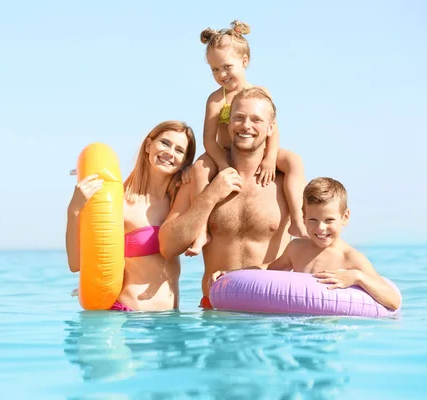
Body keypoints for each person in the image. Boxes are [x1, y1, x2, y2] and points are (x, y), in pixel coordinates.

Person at [159, 87, 292, 309]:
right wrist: (210, 197)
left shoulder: (286, 181)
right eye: (238, 118)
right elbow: (167, 247)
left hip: (272, 314)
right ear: (228, 124)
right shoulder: (204, 178)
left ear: (270, 128)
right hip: (216, 313)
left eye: (256, 119)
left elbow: (315, 242)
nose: (246, 126)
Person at [184, 20, 308, 257]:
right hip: (225, 153)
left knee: (292, 160)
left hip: (258, 151)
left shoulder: (261, 93)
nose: (221, 74)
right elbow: (209, 139)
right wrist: (222, 164)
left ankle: (297, 219)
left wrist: (270, 158)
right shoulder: (215, 100)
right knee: (200, 167)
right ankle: (201, 231)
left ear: (244, 61)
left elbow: (274, 128)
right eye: (215, 70)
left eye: (227, 67)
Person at [211, 177, 402, 311]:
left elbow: (392, 301)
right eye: (312, 220)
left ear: (345, 218)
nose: (320, 228)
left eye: (329, 220)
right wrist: (232, 274)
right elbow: (269, 268)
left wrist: (358, 278)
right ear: (303, 217)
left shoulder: (350, 258)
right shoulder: (296, 248)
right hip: (299, 325)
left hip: (332, 332)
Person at [66, 121, 196, 311]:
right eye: (165, 143)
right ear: (149, 145)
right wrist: (75, 209)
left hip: (171, 324)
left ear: (184, 162)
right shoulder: (120, 203)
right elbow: (76, 264)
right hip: (131, 320)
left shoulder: (179, 202)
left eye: (179, 150)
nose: (170, 153)